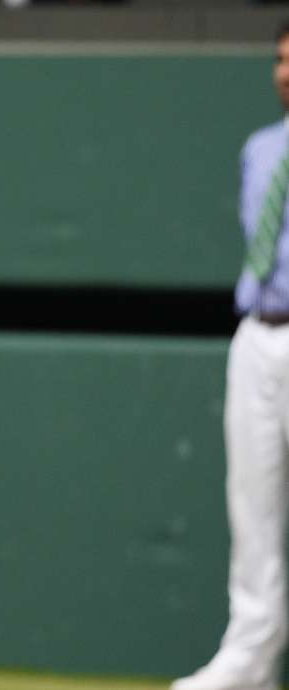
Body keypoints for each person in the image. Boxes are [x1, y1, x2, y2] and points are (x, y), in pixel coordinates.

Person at [172, 21, 289, 690]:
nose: (285, 72)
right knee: (252, 501)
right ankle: (251, 665)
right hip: (257, 333)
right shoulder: (261, 149)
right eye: (278, 59)